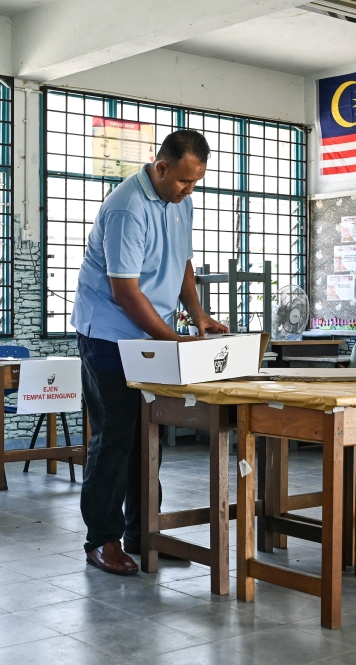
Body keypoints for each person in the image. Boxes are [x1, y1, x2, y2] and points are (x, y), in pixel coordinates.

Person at [71, 130, 227, 575]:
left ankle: (144, 533)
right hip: (109, 336)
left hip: (150, 336)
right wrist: (172, 340)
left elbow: (182, 262)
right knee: (115, 438)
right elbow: (125, 292)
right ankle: (102, 540)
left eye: (195, 182)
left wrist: (198, 315)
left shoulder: (180, 202)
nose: (189, 189)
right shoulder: (127, 208)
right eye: (183, 180)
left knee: (147, 437)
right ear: (161, 167)